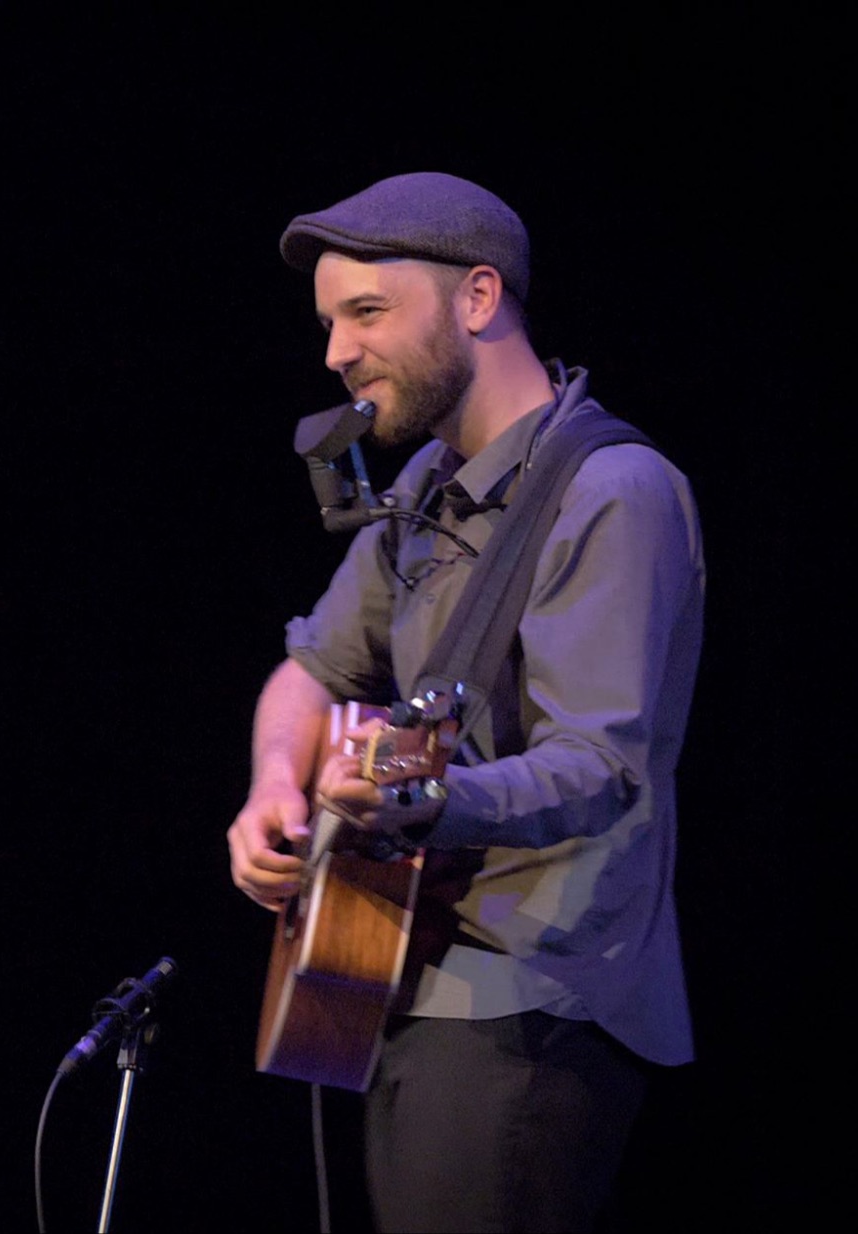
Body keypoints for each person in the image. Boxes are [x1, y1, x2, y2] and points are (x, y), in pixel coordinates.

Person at [225, 173, 703, 1232]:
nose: (333, 353)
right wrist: (271, 785)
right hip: (402, 977)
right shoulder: (421, 498)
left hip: (527, 1006)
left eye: (365, 313)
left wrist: (427, 798)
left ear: (477, 299)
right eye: (326, 322)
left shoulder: (612, 491)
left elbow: (600, 764)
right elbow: (309, 668)